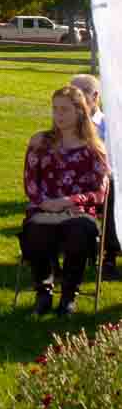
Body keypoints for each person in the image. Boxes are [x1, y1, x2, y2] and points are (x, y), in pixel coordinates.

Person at [21, 85, 109, 316]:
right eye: (55, 109)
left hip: (78, 211)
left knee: (80, 232)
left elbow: (100, 192)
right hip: (44, 208)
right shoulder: (40, 142)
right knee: (37, 229)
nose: (58, 115)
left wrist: (69, 201)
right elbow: (30, 183)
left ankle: (69, 296)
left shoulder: (94, 149)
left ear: (80, 111)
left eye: (65, 110)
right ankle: (43, 293)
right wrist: (45, 203)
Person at [71, 73, 120, 279]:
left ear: (95, 96)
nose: (74, 99)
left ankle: (109, 255)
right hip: (71, 183)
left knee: (112, 189)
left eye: (79, 94)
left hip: (101, 181)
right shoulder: (66, 122)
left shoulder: (110, 126)